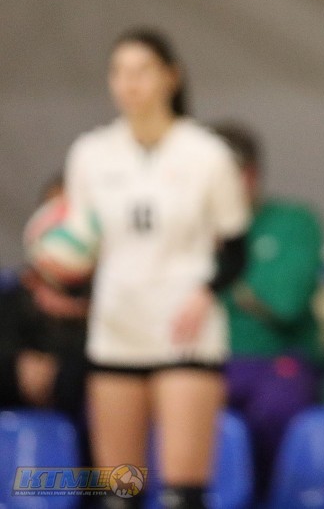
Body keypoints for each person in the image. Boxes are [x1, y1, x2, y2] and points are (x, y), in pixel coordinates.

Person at [61, 29, 249, 509]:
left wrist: (204, 293)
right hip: (116, 328)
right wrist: (57, 262)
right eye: (119, 72)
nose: (130, 83)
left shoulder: (207, 153)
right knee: (119, 493)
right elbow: (79, 244)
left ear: (171, 77)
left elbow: (235, 249)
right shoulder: (90, 153)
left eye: (142, 70)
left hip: (185, 330)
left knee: (181, 496)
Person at [213, 121, 324, 499]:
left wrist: (223, 267)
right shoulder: (185, 231)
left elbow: (286, 302)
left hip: (276, 361)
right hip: (204, 362)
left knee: (277, 407)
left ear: (250, 175)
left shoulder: (294, 222)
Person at [1, 177, 89, 419]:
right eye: (54, 216)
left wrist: (59, 373)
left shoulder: (112, 305)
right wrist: (18, 367)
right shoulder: (15, 297)